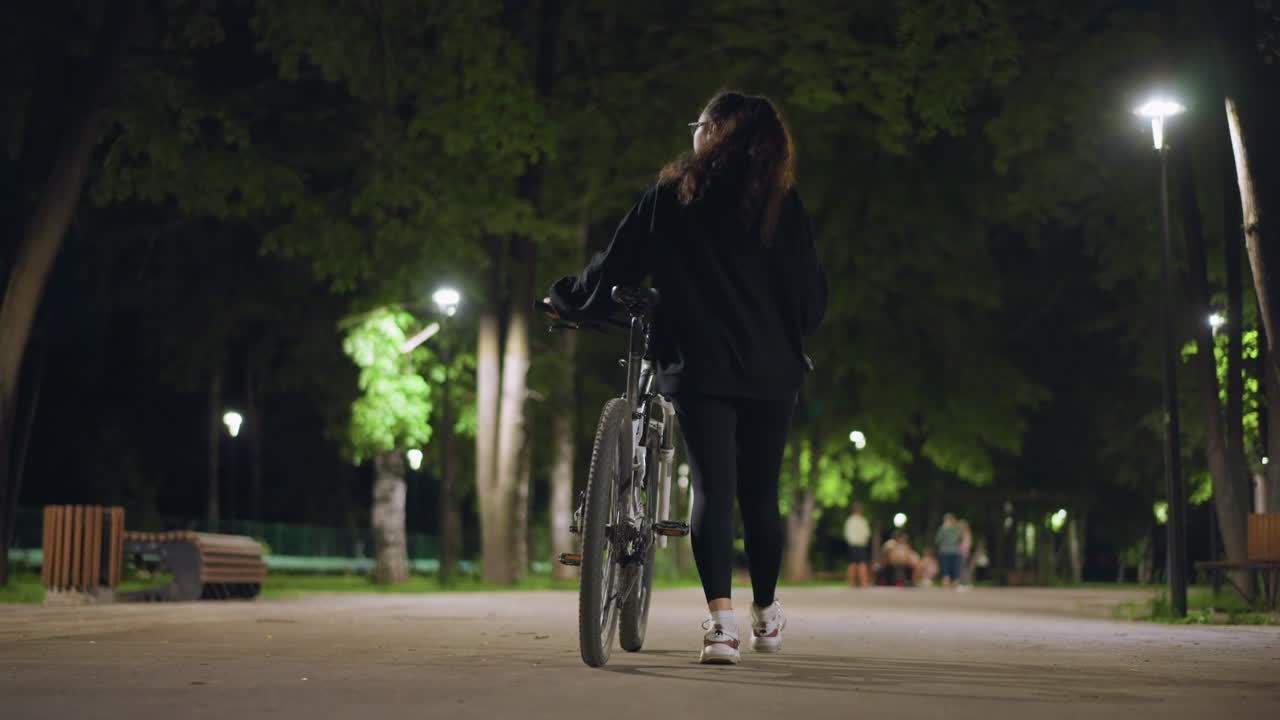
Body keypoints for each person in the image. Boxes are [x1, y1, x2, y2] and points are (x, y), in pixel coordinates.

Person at [547, 90, 827, 665]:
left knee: (712, 488)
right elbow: (811, 295)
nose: (694, 131)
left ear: (716, 131)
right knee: (759, 494)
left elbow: (615, 262)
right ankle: (766, 618)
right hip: (771, 368)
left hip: (697, 364)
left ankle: (720, 626)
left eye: (700, 122)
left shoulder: (672, 197)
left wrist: (570, 300)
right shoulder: (783, 204)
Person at [843, 503, 872, 588]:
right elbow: (867, 533)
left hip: (854, 544)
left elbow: (847, 533)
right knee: (859, 564)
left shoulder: (850, 520)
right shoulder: (862, 520)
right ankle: (861, 583)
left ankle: (854, 583)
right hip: (859, 544)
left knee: (854, 564)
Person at [935, 513, 963, 588]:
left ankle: (955, 582)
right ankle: (946, 583)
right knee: (945, 568)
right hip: (945, 551)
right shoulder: (942, 529)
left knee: (954, 568)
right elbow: (938, 539)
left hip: (953, 551)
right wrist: (944, 530)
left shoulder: (956, 529)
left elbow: (958, 539)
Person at [957, 519, 973, 589]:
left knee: (962, 569)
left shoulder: (965, 533)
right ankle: (965, 583)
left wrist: (962, 551)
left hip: (963, 553)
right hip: (963, 553)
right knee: (963, 568)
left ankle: (964, 584)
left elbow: (967, 545)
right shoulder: (965, 533)